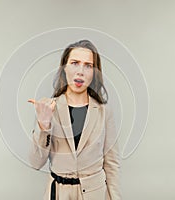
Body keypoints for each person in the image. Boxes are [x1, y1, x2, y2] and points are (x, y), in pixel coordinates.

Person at [28, 40, 122, 200]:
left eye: (88, 65)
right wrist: (44, 126)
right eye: (75, 63)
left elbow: (112, 164)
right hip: (58, 194)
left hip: (94, 194)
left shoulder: (104, 111)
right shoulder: (49, 108)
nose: (80, 71)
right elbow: (36, 162)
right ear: (64, 68)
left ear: (95, 72)